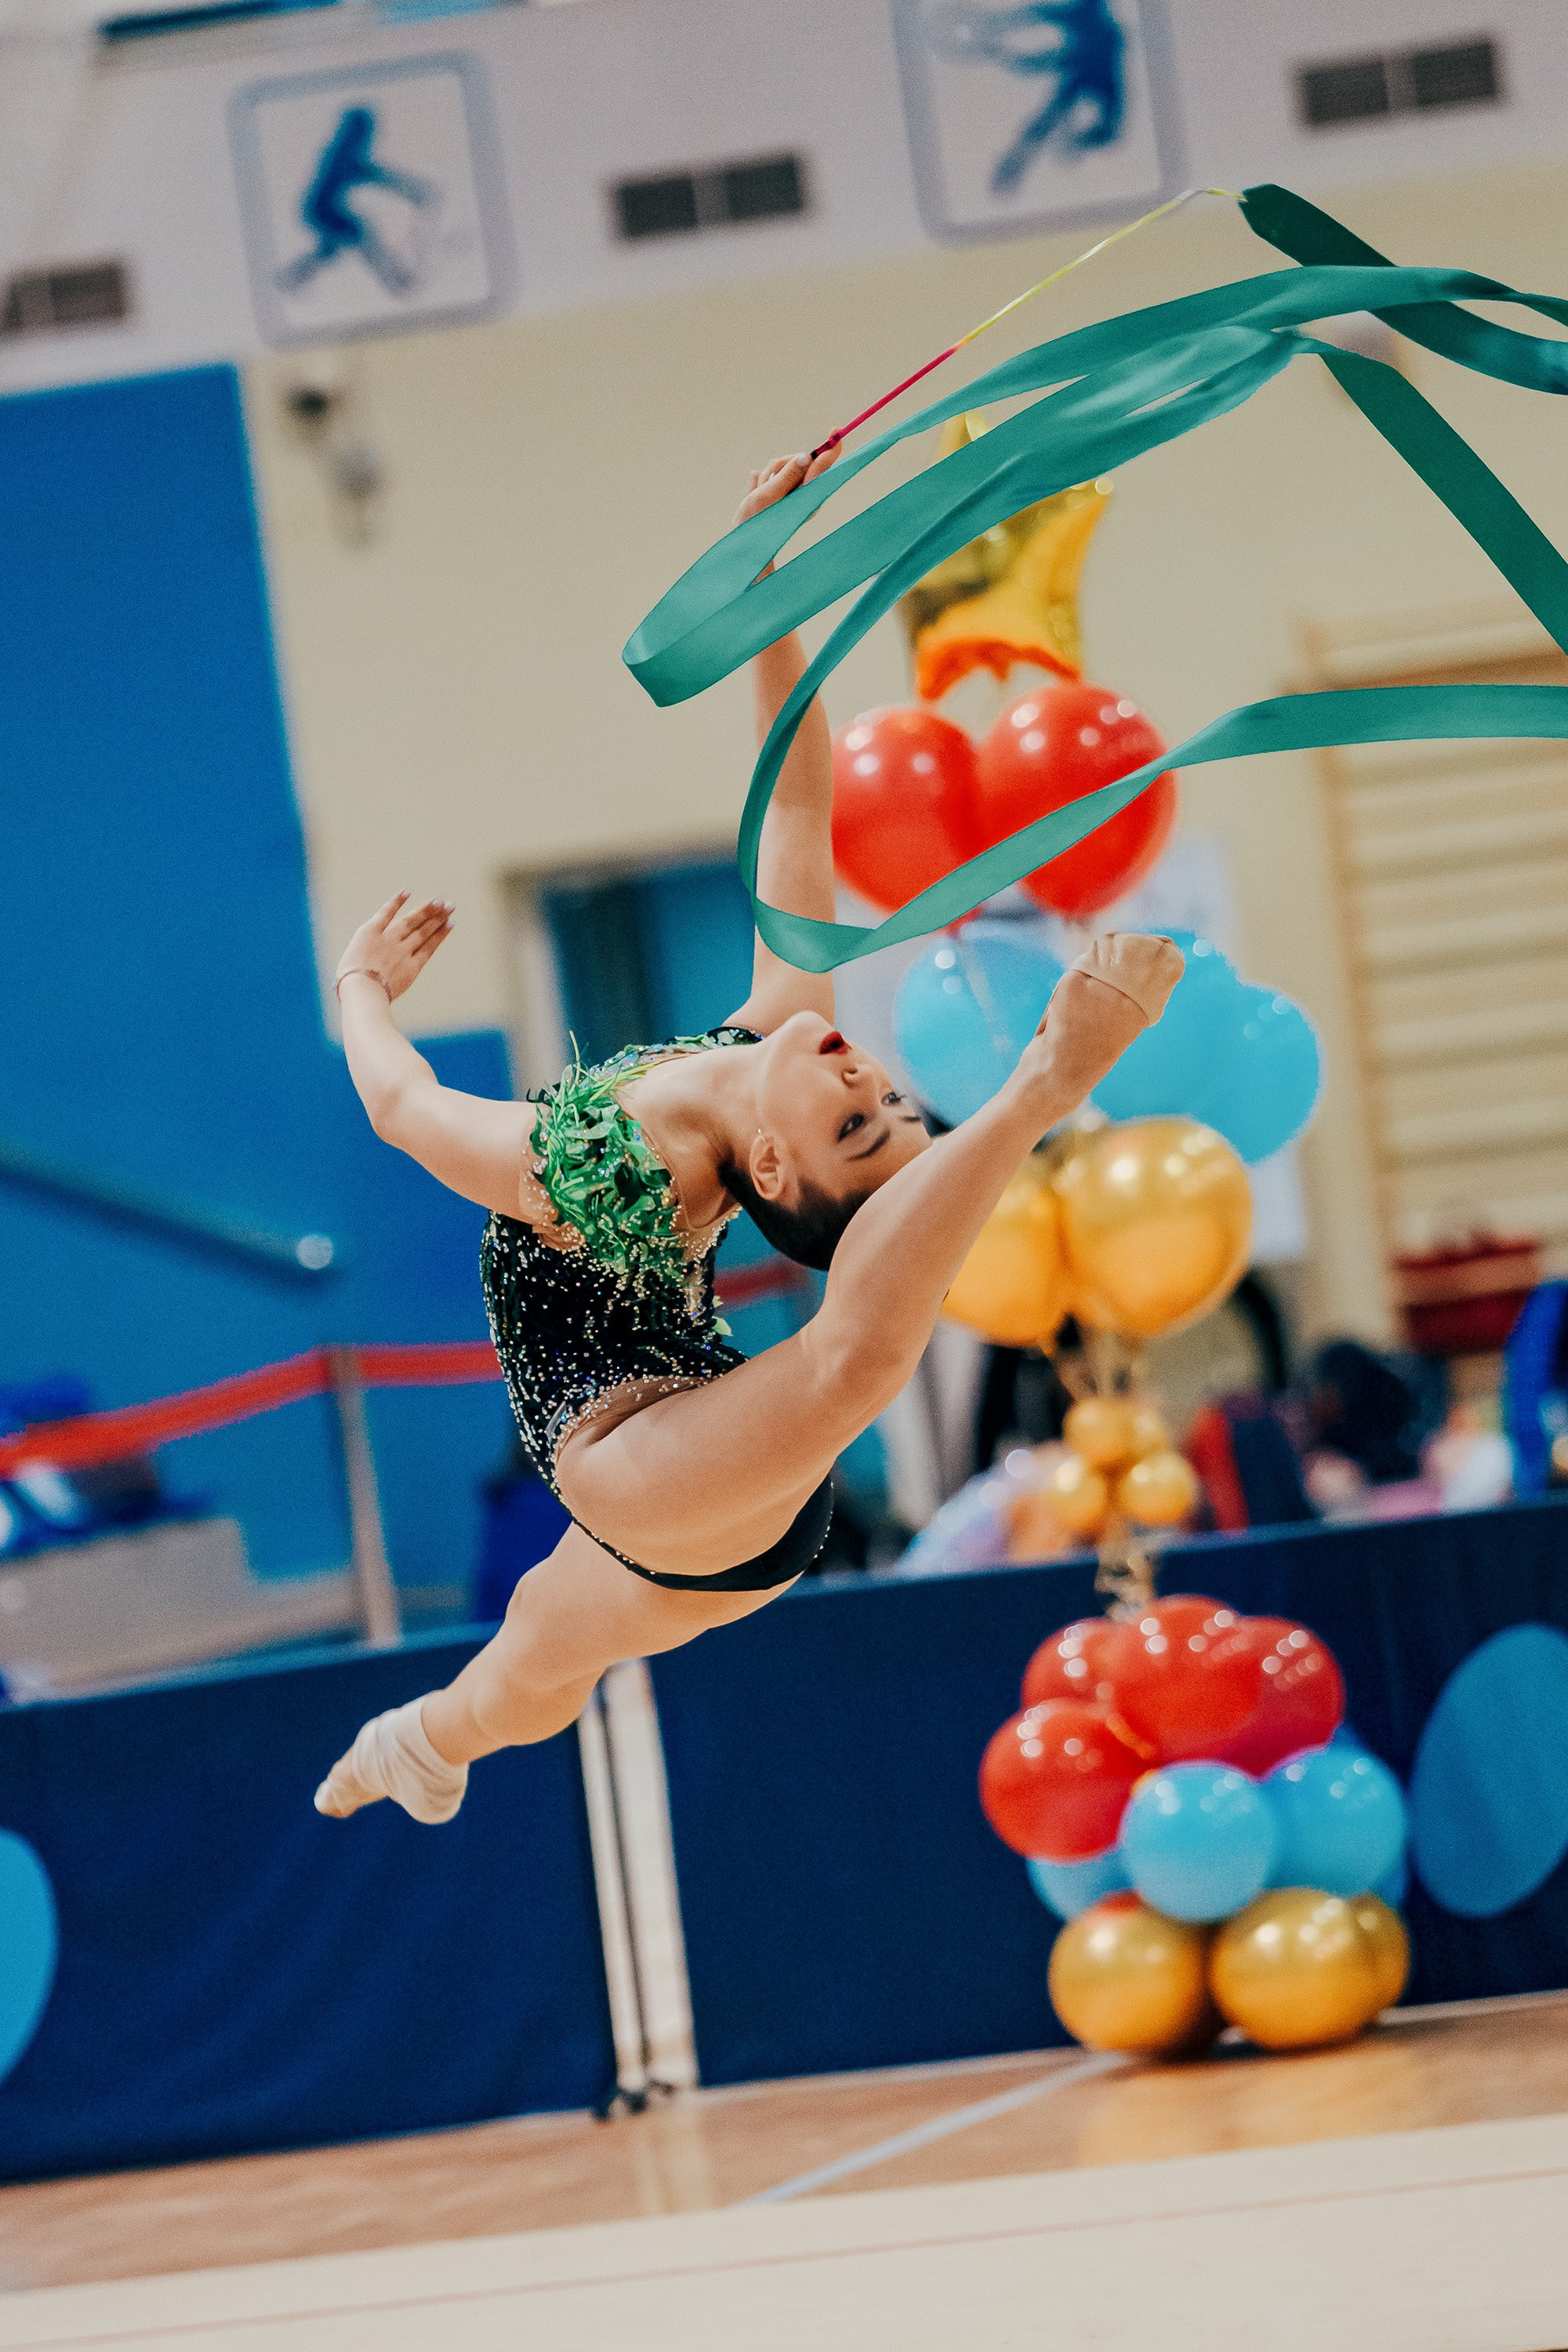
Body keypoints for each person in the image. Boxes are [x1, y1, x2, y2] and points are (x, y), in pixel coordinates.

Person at [315, 452, 1181, 1826]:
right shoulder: (769, 1034)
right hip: (725, 1486)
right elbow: (795, 806)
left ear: (774, 1175)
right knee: (532, 1660)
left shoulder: (596, 1174)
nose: (863, 1071)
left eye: (855, 1125)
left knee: (841, 1365)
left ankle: (1038, 1090)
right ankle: (429, 1743)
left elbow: (401, 1106)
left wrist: (357, 989)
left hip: (657, 1462)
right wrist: (772, 588)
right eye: (887, 1102)